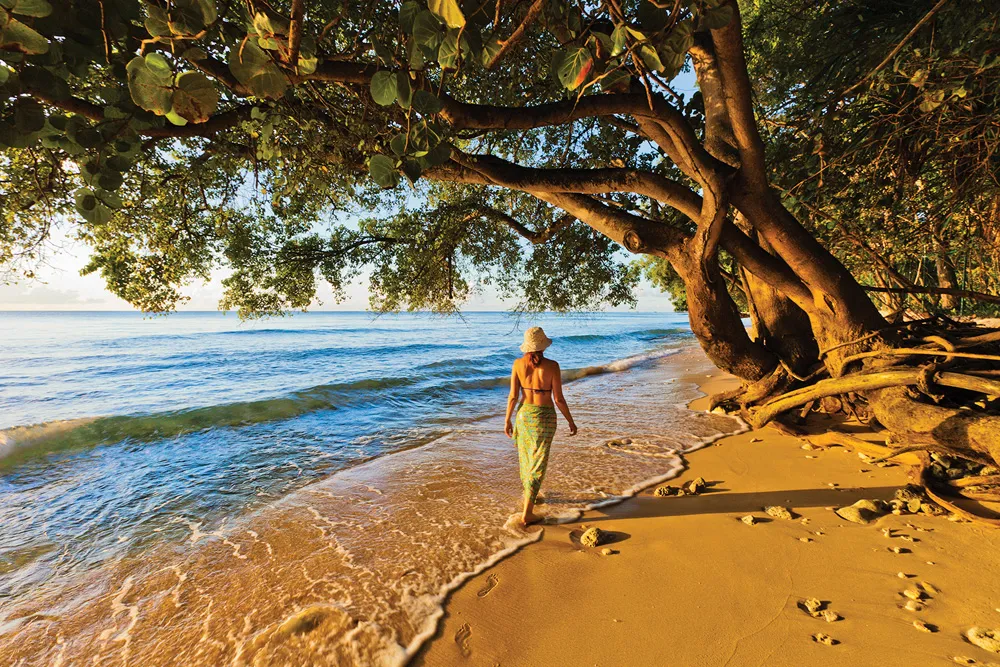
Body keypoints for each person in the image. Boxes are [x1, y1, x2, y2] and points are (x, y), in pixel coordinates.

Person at [504, 326, 577, 526]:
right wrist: (570, 420)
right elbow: (559, 399)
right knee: (539, 462)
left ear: (526, 346)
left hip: (524, 416)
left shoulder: (517, 364)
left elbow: (513, 396)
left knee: (527, 459)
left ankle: (531, 496)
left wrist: (507, 419)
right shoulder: (553, 366)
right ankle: (528, 512)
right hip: (544, 417)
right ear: (543, 345)